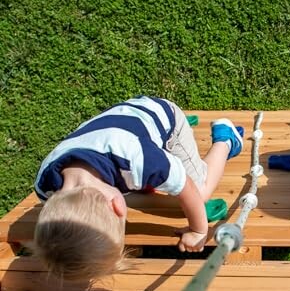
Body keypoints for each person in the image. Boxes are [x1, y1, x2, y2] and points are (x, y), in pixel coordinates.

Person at [33, 96, 244, 281]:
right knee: (157, 193)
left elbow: (186, 186)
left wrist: (198, 229)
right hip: (119, 124)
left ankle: (225, 138)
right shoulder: (45, 186)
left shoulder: (140, 160)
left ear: (117, 205)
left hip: (166, 120)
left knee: (200, 192)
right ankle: (155, 141)